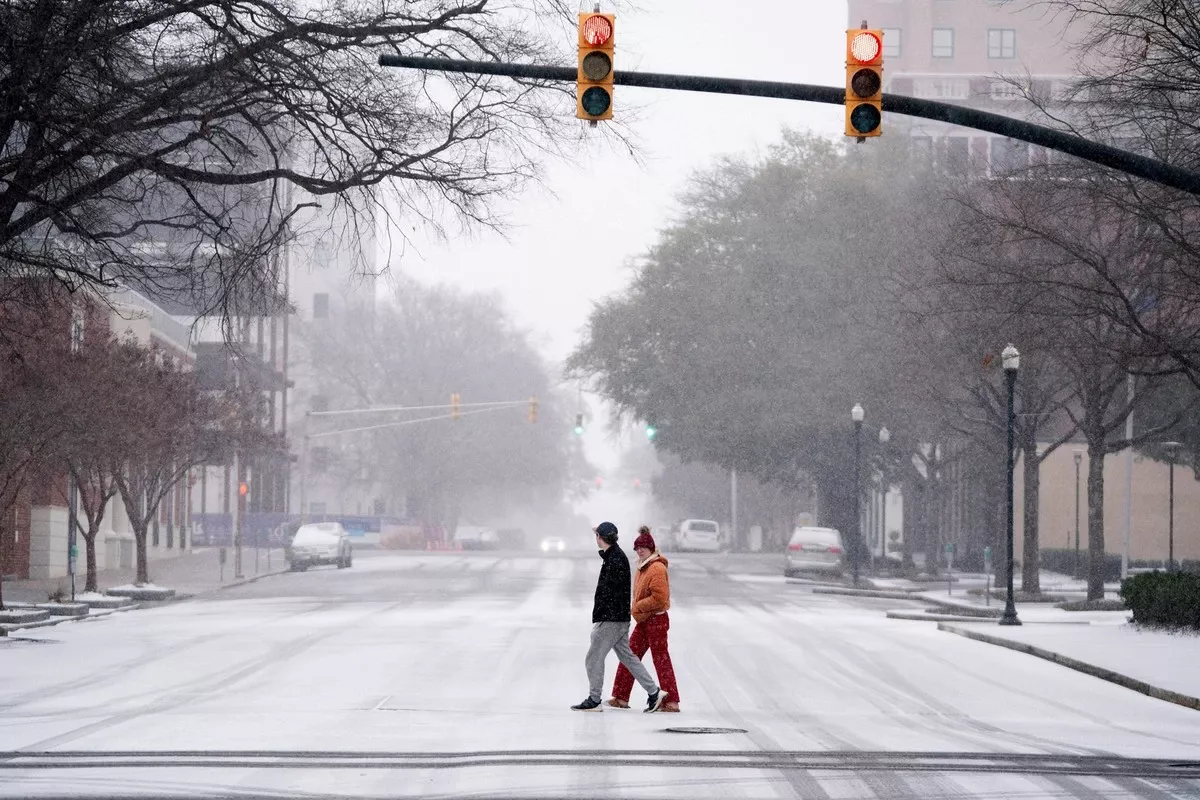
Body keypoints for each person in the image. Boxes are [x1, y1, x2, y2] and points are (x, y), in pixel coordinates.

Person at [572, 522, 667, 713]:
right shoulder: (615, 556)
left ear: (600, 538)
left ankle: (594, 699)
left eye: (597, 536)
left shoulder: (615, 559)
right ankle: (654, 692)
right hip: (618, 618)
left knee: (593, 658)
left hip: (611, 619)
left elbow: (611, 592)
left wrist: (603, 617)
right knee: (628, 658)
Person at [607, 526, 680, 713]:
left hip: (656, 620)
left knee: (660, 659)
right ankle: (621, 697)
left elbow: (660, 598)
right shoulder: (643, 566)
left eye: (643, 547)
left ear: (652, 548)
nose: (640, 550)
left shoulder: (656, 567)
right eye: (637, 547)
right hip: (644, 621)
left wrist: (638, 607)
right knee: (629, 655)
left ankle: (671, 702)